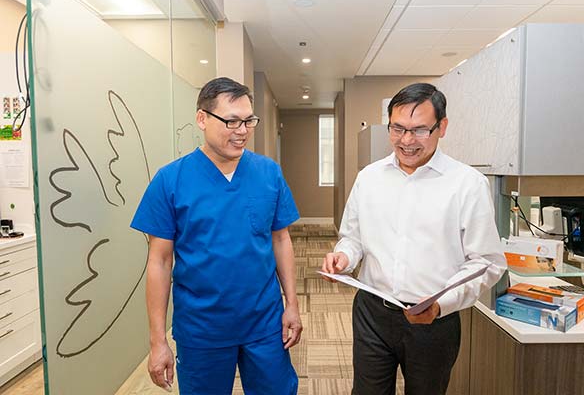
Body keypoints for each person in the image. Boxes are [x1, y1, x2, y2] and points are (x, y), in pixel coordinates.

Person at [321, 83, 507, 395]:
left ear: (442, 127)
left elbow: (487, 262)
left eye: (420, 130)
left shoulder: (467, 185)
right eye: (398, 129)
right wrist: (344, 257)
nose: (407, 141)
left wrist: (440, 305)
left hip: (433, 319)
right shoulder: (369, 178)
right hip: (371, 312)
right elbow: (352, 238)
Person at [131, 77, 302, 394]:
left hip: (264, 322)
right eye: (231, 121)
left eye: (248, 121)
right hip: (202, 328)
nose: (242, 131)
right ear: (201, 119)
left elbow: (281, 240)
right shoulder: (170, 180)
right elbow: (159, 261)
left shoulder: (268, 173)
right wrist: (158, 341)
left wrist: (291, 304)